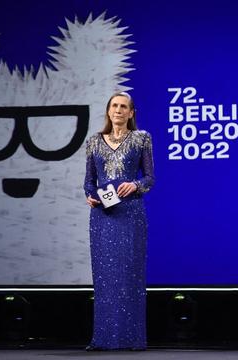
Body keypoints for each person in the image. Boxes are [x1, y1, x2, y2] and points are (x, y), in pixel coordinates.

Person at [83, 92, 154, 350]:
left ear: (131, 113)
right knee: (105, 278)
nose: (118, 110)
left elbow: (149, 179)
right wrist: (91, 197)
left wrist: (134, 184)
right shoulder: (93, 142)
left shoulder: (141, 139)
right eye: (114, 106)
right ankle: (102, 338)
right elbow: (89, 181)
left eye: (124, 107)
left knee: (129, 276)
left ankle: (132, 338)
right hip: (103, 216)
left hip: (131, 214)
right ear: (108, 110)